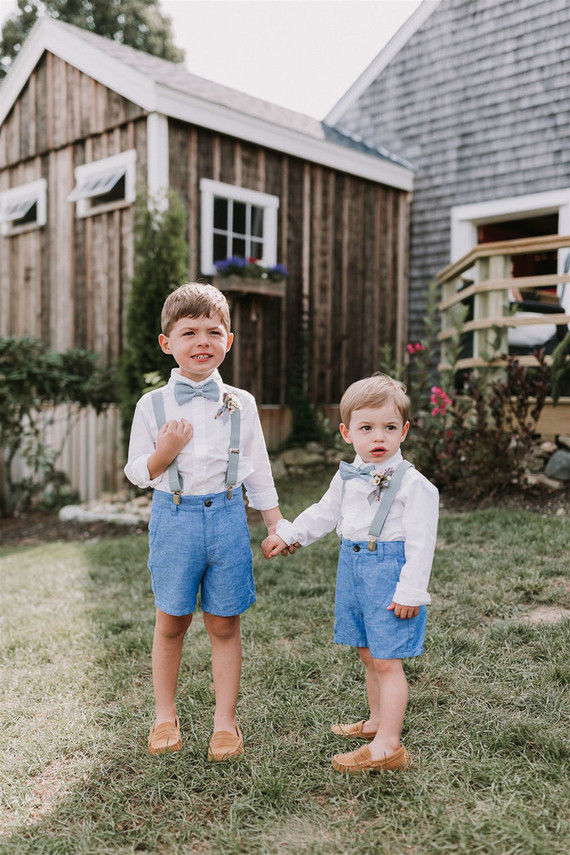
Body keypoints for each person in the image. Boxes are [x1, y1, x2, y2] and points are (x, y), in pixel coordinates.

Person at [125, 282, 287, 760]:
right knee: (171, 621)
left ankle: (225, 721)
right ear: (167, 343)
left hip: (228, 519)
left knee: (224, 624)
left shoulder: (242, 402)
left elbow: (258, 469)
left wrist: (275, 523)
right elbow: (136, 472)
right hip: (174, 519)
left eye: (213, 332)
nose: (202, 342)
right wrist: (165, 453)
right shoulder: (152, 405)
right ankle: (164, 715)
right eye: (189, 332)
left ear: (228, 341)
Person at [262, 374, 439, 774]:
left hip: (390, 575)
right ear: (347, 433)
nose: (379, 437)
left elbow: (422, 542)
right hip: (353, 570)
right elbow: (325, 513)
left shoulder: (414, 484)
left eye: (389, 427)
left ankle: (388, 747)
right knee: (367, 652)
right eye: (366, 428)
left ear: (404, 431)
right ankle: (376, 722)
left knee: (388, 660)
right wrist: (289, 533)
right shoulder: (348, 475)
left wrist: (411, 591)